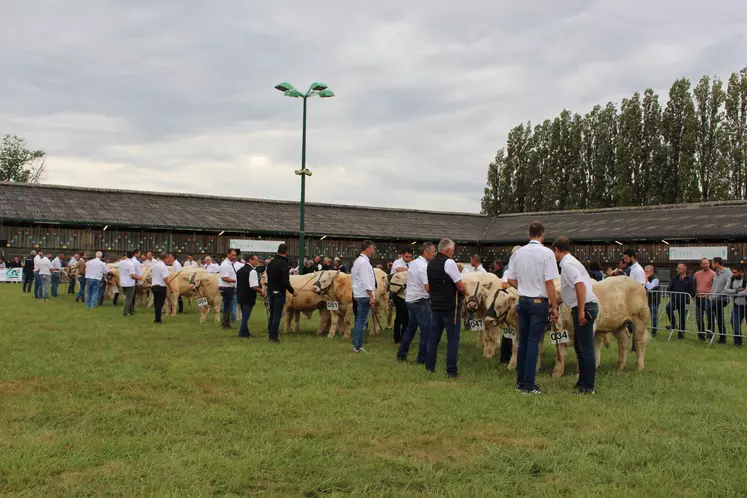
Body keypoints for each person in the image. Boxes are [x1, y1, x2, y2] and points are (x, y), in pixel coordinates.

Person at [505, 222, 559, 395]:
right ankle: (529, 384)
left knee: (523, 342)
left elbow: (510, 279)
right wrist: (555, 305)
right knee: (533, 343)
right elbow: (549, 281)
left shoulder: (518, 253)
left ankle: (520, 382)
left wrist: (524, 286)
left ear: (529, 235)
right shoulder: (547, 253)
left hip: (523, 301)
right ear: (542, 235)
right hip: (538, 302)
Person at [553, 237, 599, 394]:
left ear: (558, 250)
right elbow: (567, 291)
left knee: (585, 348)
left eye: (555, 252)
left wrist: (580, 310)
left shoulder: (567, 264)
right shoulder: (571, 262)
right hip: (583, 306)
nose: (555, 255)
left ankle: (588, 386)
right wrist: (553, 303)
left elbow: (580, 285)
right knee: (580, 347)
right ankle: (582, 382)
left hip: (585, 307)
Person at [424, 238, 465, 378]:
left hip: (435, 305)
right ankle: (452, 371)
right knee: (452, 338)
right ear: (447, 250)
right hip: (449, 307)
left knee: (433, 337)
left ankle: (429, 367)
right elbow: (460, 285)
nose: (453, 253)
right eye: (453, 250)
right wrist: (464, 292)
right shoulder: (449, 262)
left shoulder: (430, 263)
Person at [397, 242, 435, 363]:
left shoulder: (412, 263)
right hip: (420, 300)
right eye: (432, 252)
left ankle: (401, 355)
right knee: (426, 331)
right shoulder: (423, 266)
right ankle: (422, 359)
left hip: (410, 299)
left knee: (410, 329)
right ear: (426, 252)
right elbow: (427, 287)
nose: (434, 255)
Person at [266, 244, 296, 343]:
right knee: (277, 315)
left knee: (272, 313)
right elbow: (285, 281)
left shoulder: (271, 263)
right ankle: (274, 337)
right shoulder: (283, 264)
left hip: (271, 291)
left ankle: (270, 334)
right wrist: (292, 291)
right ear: (286, 252)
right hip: (279, 292)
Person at [350, 240, 376, 353]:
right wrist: (371, 296)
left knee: (360, 321)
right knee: (361, 321)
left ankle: (357, 344)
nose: (373, 251)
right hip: (364, 294)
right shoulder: (364, 263)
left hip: (359, 293)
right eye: (373, 248)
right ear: (368, 248)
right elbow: (366, 281)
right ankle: (357, 345)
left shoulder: (358, 261)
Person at [237, 254, 265, 338]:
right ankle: (242, 333)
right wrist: (261, 291)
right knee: (246, 316)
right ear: (250, 260)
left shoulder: (240, 270)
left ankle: (246, 332)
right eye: (256, 260)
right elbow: (253, 286)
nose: (257, 262)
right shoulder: (252, 271)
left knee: (244, 315)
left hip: (240, 296)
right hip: (248, 296)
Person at [666, 263, 696, 339]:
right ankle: (673, 324)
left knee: (682, 317)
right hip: (675, 300)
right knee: (668, 308)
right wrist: (672, 296)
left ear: (684, 269)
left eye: (679, 268)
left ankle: (681, 333)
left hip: (685, 302)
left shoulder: (690, 279)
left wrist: (688, 297)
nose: (677, 269)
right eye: (677, 268)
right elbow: (669, 288)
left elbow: (692, 291)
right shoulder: (674, 278)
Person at [391, 249, 413, 343]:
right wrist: (411, 269)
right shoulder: (397, 262)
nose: (408, 259)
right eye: (406, 257)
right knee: (400, 315)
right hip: (398, 293)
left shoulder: (412, 263)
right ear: (402, 256)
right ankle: (397, 337)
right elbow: (399, 269)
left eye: (410, 257)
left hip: (407, 293)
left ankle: (404, 336)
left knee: (407, 316)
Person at [707, 257, 731, 343]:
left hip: (723, 298)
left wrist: (717, 296)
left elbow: (727, 287)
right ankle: (722, 338)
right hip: (714, 298)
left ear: (717, 263)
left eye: (712, 263)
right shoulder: (716, 273)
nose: (712, 264)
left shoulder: (728, 273)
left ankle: (710, 332)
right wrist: (711, 296)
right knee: (719, 317)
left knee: (709, 308)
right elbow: (714, 286)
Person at [693, 258, 715, 340]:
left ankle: (710, 335)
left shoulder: (713, 274)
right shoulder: (696, 274)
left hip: (708, 299)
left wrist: (711, 296)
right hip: (698, 298)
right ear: (701, 265)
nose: (706, 265)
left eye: (707, 263)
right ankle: (701, 335)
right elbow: (694, 285)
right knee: (698, 318)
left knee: (710, 317)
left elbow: (715, 286)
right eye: (704, 263)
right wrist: (694, 295)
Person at [724, 266, 745, 346]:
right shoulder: (731, 278)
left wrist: (734, 292)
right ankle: (738, 341)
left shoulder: (745, 279)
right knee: (733, 322)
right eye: (733, 272)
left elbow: (745, 292)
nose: (733, 274)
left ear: (741, 272)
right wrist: (736, 291)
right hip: (737, 305)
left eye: (735, 272)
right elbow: (726, 289)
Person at [218, 249, 238, 330]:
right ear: (228, 254)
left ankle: (226, 324)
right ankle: (225, 324)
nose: (234, 257)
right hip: (227, 287)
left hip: (229, 287)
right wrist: (235, 280)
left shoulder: (229, 264)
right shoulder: (225, 264)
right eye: (233, 255)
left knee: (228, 306)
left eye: (235, 255)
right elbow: (224, 278)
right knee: (228, 306)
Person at [151, 252, 171, 323]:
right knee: (160, 304)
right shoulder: (164, 267)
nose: (168, 260)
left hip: (154, 286)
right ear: (165, 258)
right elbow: (165, 279)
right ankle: (158, 319)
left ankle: (156, 318)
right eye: (168, 258)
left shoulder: (155, 265)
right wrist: (170, 288)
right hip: (161, 287)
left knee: (156, 304)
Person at [119, 252, 139, 316]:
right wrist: (139, 278)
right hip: (130, 283)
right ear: (133, 256)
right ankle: (125, 312)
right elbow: (132, 276)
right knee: (129, 298)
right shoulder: (131, 264)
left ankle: (132, 312)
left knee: (128, 298)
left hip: (122, 282)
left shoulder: (120, 263)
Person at [645, 265, 661, 334]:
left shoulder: (655, 279)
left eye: (647, 271)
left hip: (654, 300)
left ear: (652, 272)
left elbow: (649, 287)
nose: (646, 273)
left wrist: (646, 279)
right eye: (645, 271)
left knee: (653, 316)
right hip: (646, 300)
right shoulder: (645, 277)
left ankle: (654, 330)